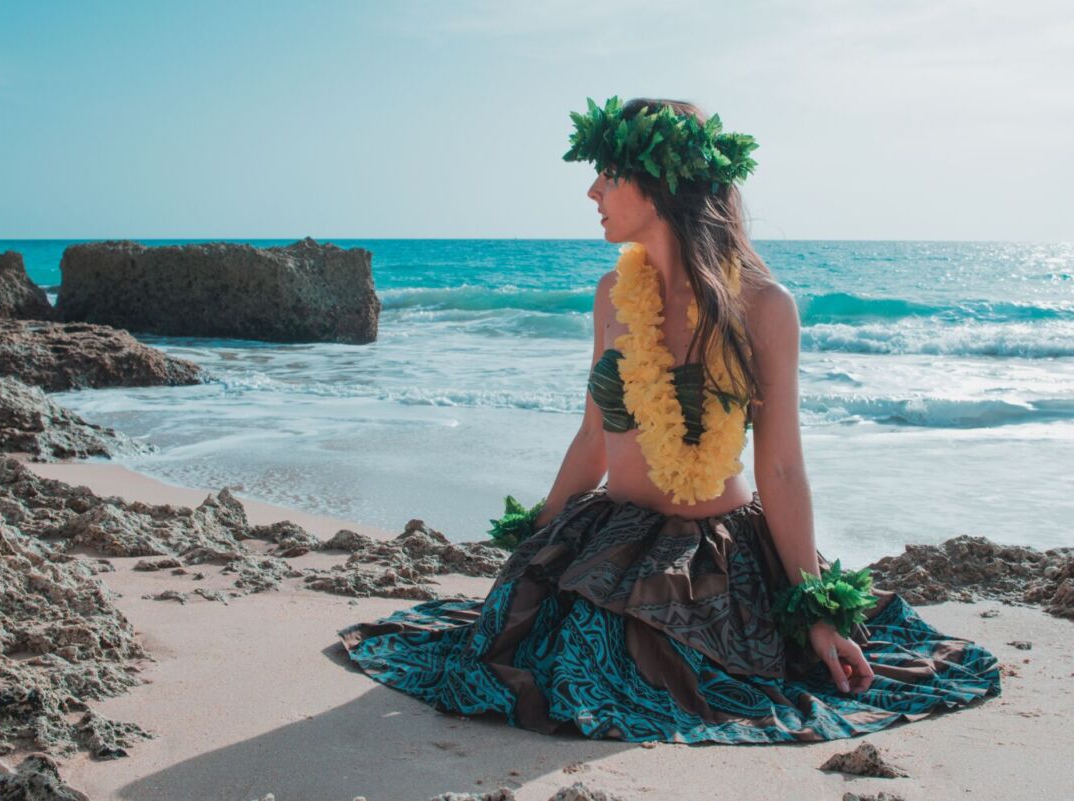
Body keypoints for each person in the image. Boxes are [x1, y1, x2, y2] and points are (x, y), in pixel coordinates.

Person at [337, 97, 1001, 743]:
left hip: (718, 560)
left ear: (659, 183)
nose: (593, 191)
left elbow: (780, 467)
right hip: (611, 541)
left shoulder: (763, 305)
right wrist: (538, 536)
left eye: (609, 174)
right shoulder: (612, 294)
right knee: (557, 660)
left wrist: (815, 609)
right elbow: (594, 436)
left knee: (681, 682)